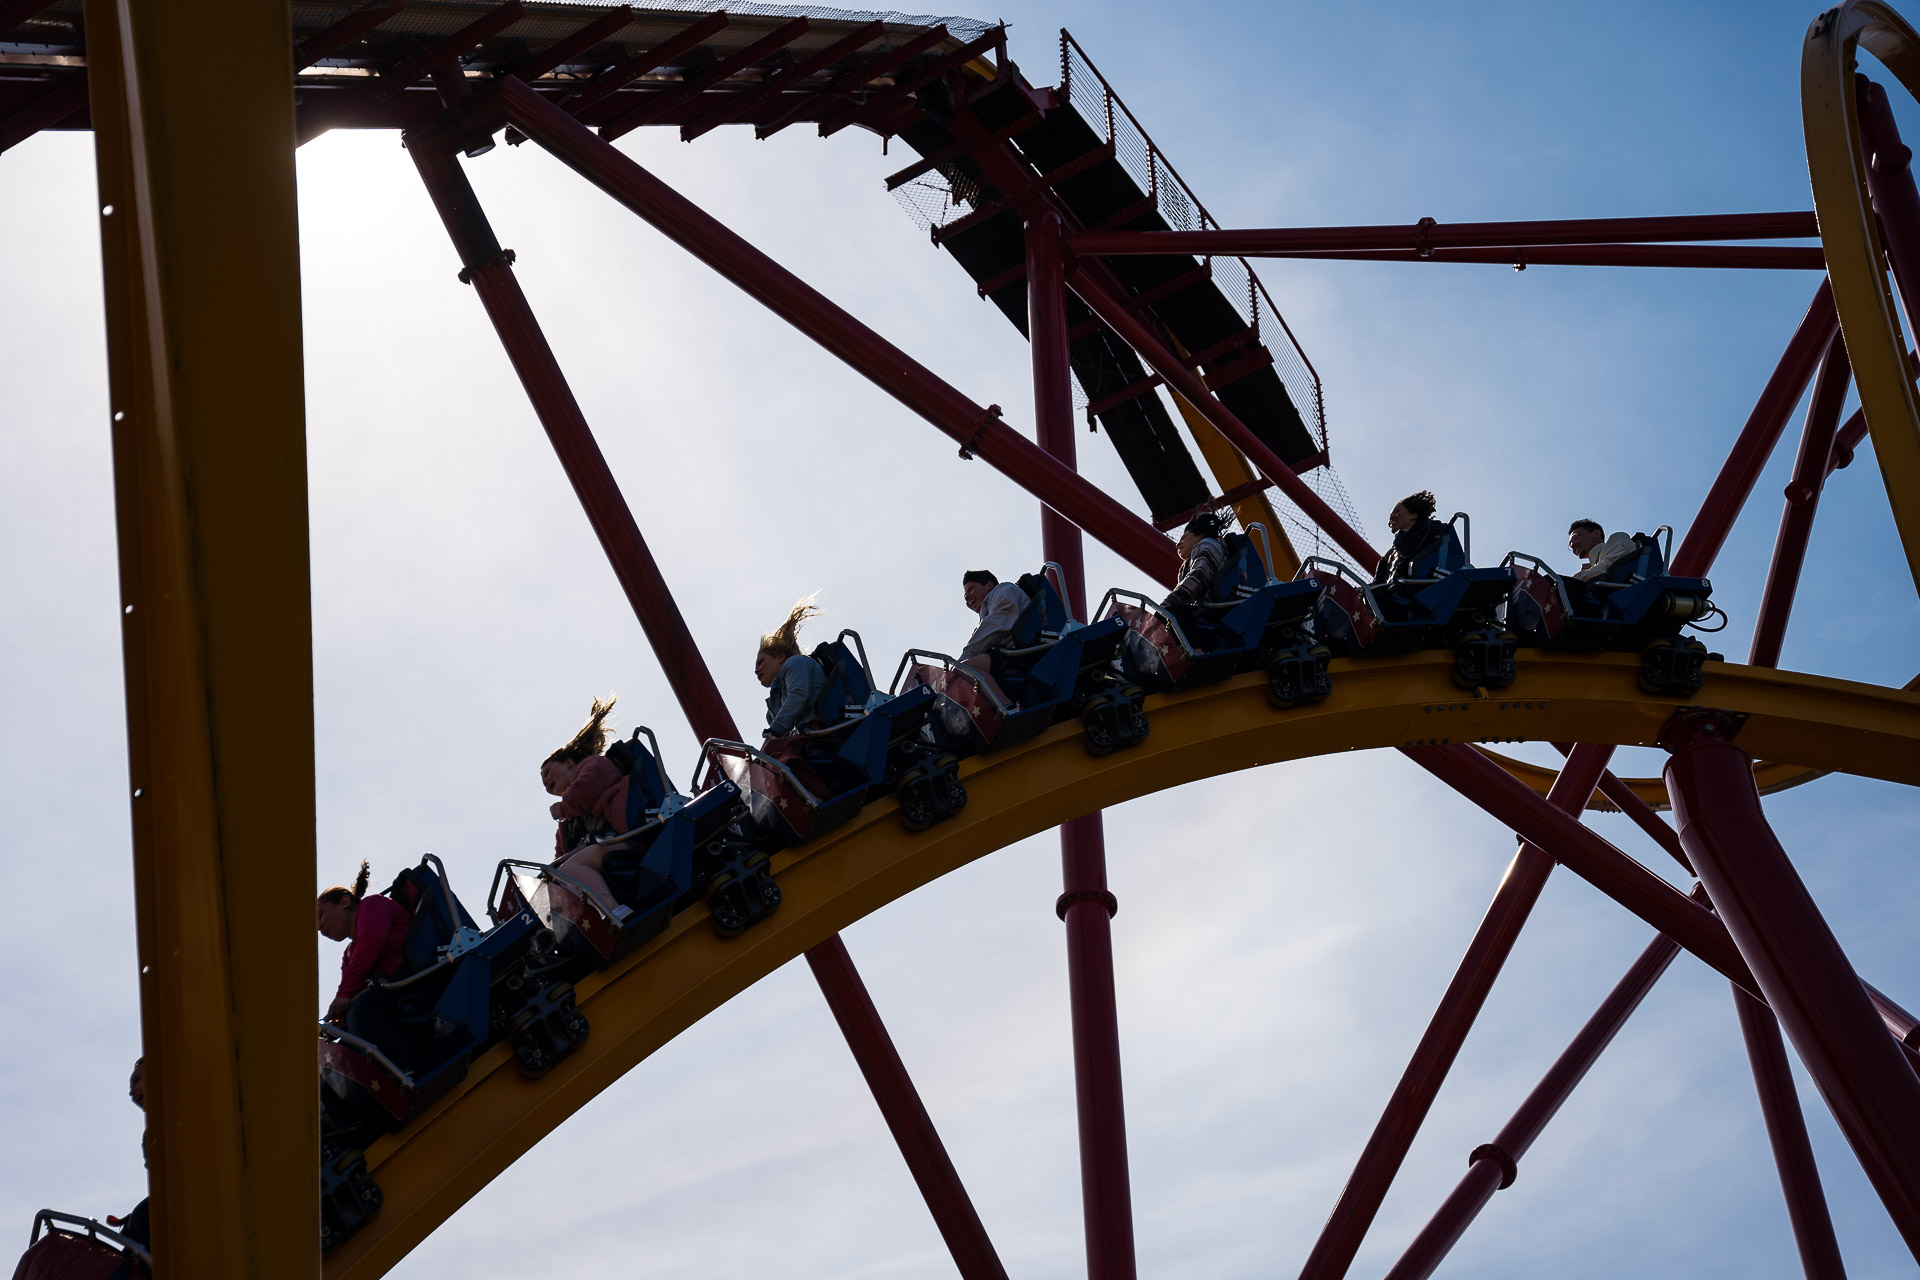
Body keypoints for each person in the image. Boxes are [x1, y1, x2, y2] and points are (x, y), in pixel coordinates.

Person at [541, 696, 632, 919]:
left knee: (570, 871)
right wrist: (546, 879)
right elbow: (560, 857)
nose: (546, 784)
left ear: (569, 762)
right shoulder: (569, 822)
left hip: (624, 839)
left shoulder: (593, 766)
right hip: (599, 848)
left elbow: (587, 790)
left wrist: (562, 809)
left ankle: (614, 912)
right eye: (543, 784)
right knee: (561, 878)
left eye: (548, 773)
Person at [318, 861, 416, 1053]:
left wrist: (343, 995)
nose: (320, 927)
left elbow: (371, 943)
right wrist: (339, 1022)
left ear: (345, 902)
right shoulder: (349, 954)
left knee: (361, 1013)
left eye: (320, 915)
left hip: (408, 975)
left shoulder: (372, 905)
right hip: (385, 989)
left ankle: (398, 1066)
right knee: (344, 1047)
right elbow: (352, 994)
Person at [958, 570, 1029, 704]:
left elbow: (1000, 621)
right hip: (1009, 653)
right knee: (963, 673)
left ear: (989, 585)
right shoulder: (986, 614)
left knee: (964, 669)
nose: (967, 598)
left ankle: (1007, 708)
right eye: (965, 596)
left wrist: (966, 656)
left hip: (1021, 651)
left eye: (970, 589)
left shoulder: (1003, 590)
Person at [1160, 512, 1229, 642]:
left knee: (1166, 615)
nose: (1177, 544)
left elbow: (1199, 576)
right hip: (1209, 610)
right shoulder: (1192, 559)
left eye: (1184, 538)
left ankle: (1196, 651)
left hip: (1214, 611)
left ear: (1200, 536)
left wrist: (1166, 605)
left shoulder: (1207, 544)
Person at [1372, 489, 1449, 586]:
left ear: (1413, 515)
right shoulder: (1397, 547)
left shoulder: (1425, 530)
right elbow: (1379, 582)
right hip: (1395, 589)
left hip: (1412, 589)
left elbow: (1408, 552)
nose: (1391, 517)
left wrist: (1399, 537)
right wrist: (1384, 560)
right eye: (1390, 514)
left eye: (1397, 511)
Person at [1567, 518, 1639, 581]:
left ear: (1596, 533)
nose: (1573, 545)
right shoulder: (1590, 570)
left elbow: (1608, 569)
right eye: (1570, 544)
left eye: (1575, 537)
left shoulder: (1618, 538)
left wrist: (1577, 579)